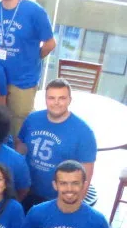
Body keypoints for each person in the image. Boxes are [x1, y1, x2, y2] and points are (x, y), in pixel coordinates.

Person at [0, 0, 56, 135]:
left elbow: (50, 43)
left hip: (23, 82)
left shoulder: (34, 11)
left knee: (19, 131)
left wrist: (33, 58)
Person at [17, 78, 97, 209]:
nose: (56, 103)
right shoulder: (32, 119)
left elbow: (86, 174)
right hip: (27, 191)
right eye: (51, 98)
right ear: (45, 99)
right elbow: (20, 145)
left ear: (70, 100)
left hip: (58, 198)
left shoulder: (84, 132)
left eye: (62, 98)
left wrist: (75, 206)